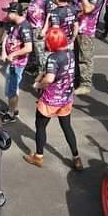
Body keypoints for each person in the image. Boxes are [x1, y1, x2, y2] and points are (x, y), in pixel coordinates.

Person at [23, 28, 83, 171]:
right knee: (67, 127)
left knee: (41, 126)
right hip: (66, 97)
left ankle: (38, 156)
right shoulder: (70, 53)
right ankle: (76, 157)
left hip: (51, 99)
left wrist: (38, 84)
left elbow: (49, 79)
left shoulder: (53, 58)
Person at [0, 3, 33, 124]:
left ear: (14, 13)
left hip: (17, 64)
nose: (7, 14)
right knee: (11, 87)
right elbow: (6, 37)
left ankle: (11, 114)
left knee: (12, 89)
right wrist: (4, 51)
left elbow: (29, 48)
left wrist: (13, 54)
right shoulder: (14, 24)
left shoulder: (24, 27)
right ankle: (13, 108)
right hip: (11, 61)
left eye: (9, 12)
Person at [74, 0, 103, 95]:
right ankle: (76, 80)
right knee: (75, 56)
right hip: (77, 29)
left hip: (87, 32)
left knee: (85, 58)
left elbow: (87, 9)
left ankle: (85, 84)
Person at [26, 0, 54, 76]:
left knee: (40, 52)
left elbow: (49, 15)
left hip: (39, 28)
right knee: (32, 50)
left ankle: (42, 72)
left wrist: (44, 29)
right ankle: (34, 68)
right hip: (30, 26)